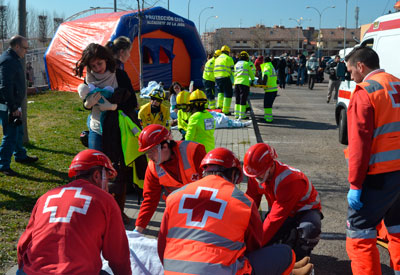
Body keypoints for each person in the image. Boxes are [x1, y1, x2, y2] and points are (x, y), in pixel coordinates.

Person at [158, 147, 314, 275]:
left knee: (310, 227)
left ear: (203, 171)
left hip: (173, 270)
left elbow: (161, 246)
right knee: (284, 253)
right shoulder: (242, 201)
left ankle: (291, 269)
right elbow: (254, 246)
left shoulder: (174, 196)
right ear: (234, 174)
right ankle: (290, 271)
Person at [17, 149, 131, 275]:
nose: (108, 186)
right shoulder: (105, 200)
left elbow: (23, 244)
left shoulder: (46, 197)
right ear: (97, 175)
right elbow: (118, 255)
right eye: (107, 179)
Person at [344, 46, 400, 275]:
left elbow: (359, 145)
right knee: (397, 229)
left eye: (350, 70)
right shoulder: (396, 83)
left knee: (360, 234)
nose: (349, 76)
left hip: (378, 176)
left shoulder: (365, 92)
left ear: (360, 66)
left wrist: (355, 184)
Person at [76, 42, 145, 224]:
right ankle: (98, 210)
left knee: (117, 169)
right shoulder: (88, 80)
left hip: (118, 129)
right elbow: (86, 101)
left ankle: (118, 211)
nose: (97, 69)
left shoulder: (119, 75)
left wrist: (114, 106)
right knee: (95, 168)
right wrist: (87, 105)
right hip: (97, 128)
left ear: (106, 59)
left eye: (100, 64)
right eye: (93, 66)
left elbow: (132, 102)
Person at [243, 143, 322, 260]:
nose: (255, 178)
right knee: (266, 241)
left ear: (270, 166)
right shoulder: (256, 174)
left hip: (305, 211)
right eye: (253, 175)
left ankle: (299, 258)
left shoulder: (289, 180)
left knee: (309, 229)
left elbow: (275, 219)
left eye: (258, 175)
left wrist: (255, 244)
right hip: (282, 210)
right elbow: (250, 204)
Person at [134, 124, 206, 233]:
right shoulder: (153, 167)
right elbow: (150, 199)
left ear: (165, 146)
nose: (149, 156)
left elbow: (214, 185)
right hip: (181, 210)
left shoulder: (193, 152)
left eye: (151, 151)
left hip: (205, 207)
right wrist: (138, 230)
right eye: (146, 153)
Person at [0, 35, 38, 176]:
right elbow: (5, 86)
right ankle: (3, 165)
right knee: (10, 134)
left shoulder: (11, 58)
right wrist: (13, 107)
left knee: (18, 130)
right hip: (8, 105)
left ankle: (20, 155)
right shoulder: (8, 61)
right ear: (17, 47)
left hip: (13, 103)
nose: (26, 51)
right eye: (25, 48)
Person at [233, 51, 254, 120]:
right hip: (244, 83)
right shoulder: (246, 64)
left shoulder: (236, 64)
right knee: (243, 99)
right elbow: (251, 73)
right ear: (246, 57)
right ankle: (242, 115)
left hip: (236, 83)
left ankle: (236, 114)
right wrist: (253, 80)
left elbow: (234, 74)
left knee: (237, 98)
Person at [214, 45, 234, 114]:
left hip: (217, 78)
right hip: (225, 78)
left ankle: (219, 106)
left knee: (220, 92)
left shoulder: (217, 59)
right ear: (228, 52)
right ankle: (225, 110)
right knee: (228, 94)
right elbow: (233, 70)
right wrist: (235, 79)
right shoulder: (228, 58)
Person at [261, 56, 278, 123]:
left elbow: (266, 75)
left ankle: (268, 119)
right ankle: (267, 117)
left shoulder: (267, 66)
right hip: (274, 89)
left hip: (269, 89)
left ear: (264, 61)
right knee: (269, 104)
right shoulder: (271, 66)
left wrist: (263, 84)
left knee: (267, 104)